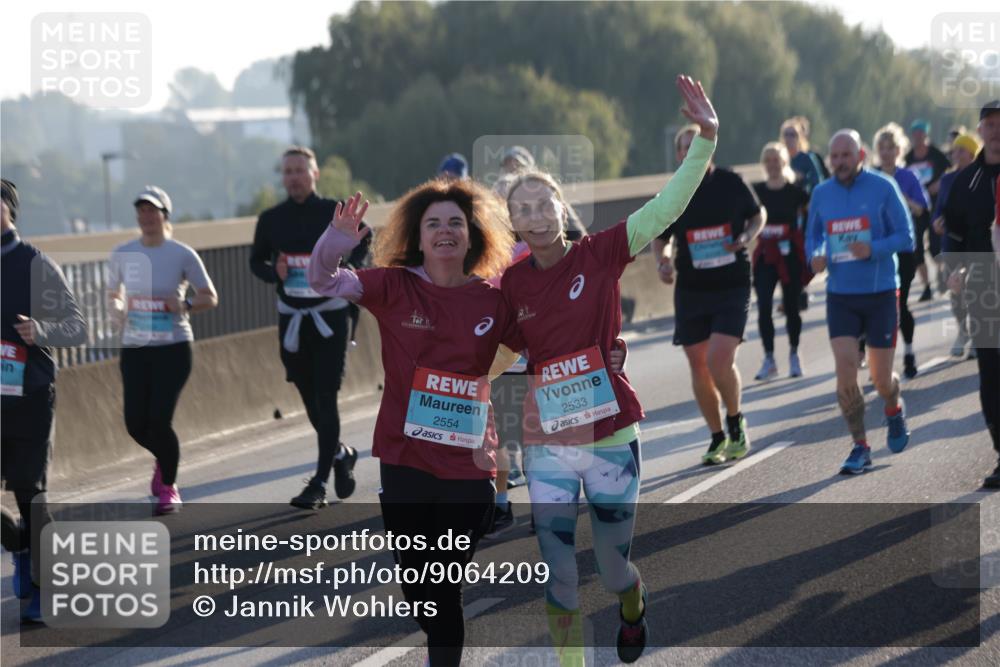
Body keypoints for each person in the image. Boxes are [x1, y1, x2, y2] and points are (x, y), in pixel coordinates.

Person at [502, 74, 718, 665]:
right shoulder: (511, 284)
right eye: (522, 210)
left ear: (559, 208)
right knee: (558, 572)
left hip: (611, 435)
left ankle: (634, 605)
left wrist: (707, 139)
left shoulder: (600, 253)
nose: (535, 216)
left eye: (543, 204)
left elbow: (667, 207)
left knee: (613, 567)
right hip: (548, 441)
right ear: (512, 224)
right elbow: (491, 350)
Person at [308, 181, 524, 667]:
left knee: (445, 587)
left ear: (472, 235)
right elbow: (323, 281)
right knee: (419, 589)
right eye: (433, 224)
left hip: (469, 466)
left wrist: (611, 350)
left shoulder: (494, 300)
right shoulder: (392, 285)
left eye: (455, 223)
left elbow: (544, 341)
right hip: (405, 459)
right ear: (418, 237)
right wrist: (335, 242)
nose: (445, 231)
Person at [250, 146, 369, 510]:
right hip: (293, 318)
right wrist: (275, 273)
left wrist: (348, 266)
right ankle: (341, 453)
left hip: (330, 317)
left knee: (326, 397)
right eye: (288, 171)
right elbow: (256, 261)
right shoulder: (271, 219)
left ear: (314, 174)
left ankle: (318, 483)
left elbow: (365, 238)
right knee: (308, 398)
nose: (294, 177)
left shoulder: (331, 211)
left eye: (301, 170)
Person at [653, 122, 764, 466]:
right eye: (683, 147)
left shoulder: (730, 182)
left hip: (731, 282)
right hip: (692, 288)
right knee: (698, 364)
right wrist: (664, 262)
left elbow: (757, 215)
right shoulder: (674, 191)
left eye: (695, 145)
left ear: (708, 149)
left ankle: (735, 420)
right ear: (677, 155)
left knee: (719, 358)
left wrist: (746, 237)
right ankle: (717, 437)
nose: (689, 152)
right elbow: (660, 237)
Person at [806, 130, 915, 474]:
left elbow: (907, 236)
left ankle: (893, 407)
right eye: (834, 156)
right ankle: (860, 446)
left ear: (861, 155)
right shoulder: (821, 194)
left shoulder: (884, 187)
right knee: (845, 371)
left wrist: (874, 249)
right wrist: (817, 255)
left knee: (882, 380)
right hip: (841, 296)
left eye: (846, 155)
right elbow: (814, 237)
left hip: (881, 292)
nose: (839, 162)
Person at [2, 179, 87, 621]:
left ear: (9, 210)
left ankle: (45, 582)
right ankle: (20, 546)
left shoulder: (34, 264)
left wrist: (41, 331)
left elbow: (77, 328)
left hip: (30, 394)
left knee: (29, 494)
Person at [108, 186, 218, 515]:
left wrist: (183, 304)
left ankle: (168, 486)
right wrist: (116, 308)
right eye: (141, 210)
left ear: (165, 216)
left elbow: (209, 296)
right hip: (136, 347)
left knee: (158, 420)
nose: (147, 216)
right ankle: (165, 459)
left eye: (153, 210)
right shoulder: (122, 253)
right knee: (134, 424)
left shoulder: (181, 253)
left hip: (173, 347)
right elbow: (113, 293)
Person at [942, 100, 1000, 489]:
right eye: (989, 123)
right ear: (980, 130)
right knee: (992, 376)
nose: (996, 130)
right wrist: (953, 270)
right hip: (985, 289)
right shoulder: (967, 182)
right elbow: (954, 234)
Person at [873, 123, 930, 379]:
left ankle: (908, 352)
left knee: (900, 303)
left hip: (904, 249)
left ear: (899, 150)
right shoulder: (870, 178)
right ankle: (877, 361)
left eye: (891, 148)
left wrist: (898, 196)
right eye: (881, 148)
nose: (886, 153)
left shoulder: (908, 177)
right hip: (876, 251)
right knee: (874, 306)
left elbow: (920, 209)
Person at [751, 142, 811, 380]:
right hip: (766, 254)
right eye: (768, 161)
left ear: (784, 162)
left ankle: (794, 354)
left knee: (792, 306)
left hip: (789, 255)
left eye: (776, 160)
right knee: (764, 306)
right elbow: (745, 216)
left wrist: (806, 240)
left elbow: (813, 214)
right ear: (764, 164)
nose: (773, 165)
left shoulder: (795, 192)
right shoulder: (756, 192)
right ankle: (769, 358)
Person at [932, 133, 981, 358]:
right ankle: (963, 331)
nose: (955, 154)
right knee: (955, 288)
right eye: (954, 150)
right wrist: (937, 223)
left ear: (972, 154)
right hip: (951, 241)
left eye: (961, 150)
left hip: (976, 240)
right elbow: (939, 208)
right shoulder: (947, 180)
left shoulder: (981, 176)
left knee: (977, 289)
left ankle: (977, 338)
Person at [905, 119, 952, 299]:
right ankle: (926, 287)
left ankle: (941, 272)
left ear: (926, 135)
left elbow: (950, 170)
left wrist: (939, 184)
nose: (917, 137)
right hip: (917, 207)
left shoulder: (936, 154)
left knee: (934, 247)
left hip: (936, 205)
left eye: (920, 134)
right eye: (914, 134)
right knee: (916, 247)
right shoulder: (909, 157)